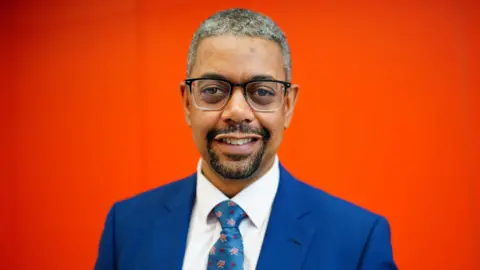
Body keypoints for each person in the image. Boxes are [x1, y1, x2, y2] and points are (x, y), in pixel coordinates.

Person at [94, 8, 397, 270]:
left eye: (262, 92)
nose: (237, 112)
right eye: (213, 90)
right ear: (187, 103)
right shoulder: (128, 226)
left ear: (287, 105)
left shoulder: (357, 241)